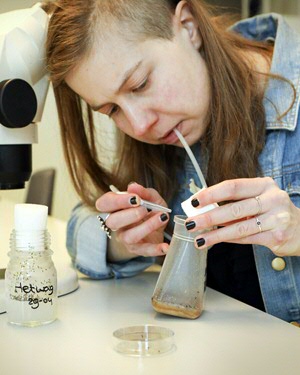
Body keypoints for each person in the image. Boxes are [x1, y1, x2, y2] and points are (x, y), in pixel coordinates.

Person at [45, 0, 300, 323]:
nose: (138, 125)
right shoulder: (166, 138)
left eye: (140, 84)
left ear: (189, 27)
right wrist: (125, 239)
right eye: (112, 110)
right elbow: (83, 223)